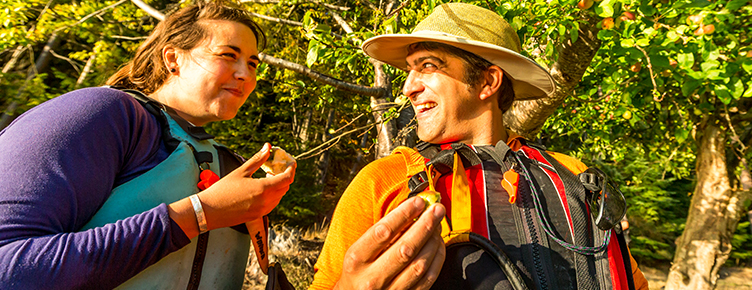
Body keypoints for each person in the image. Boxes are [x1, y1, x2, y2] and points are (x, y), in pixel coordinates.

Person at [310, 3, 649, 289]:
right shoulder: (384, 181)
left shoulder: (574, 176)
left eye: (428, 65)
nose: (408, 88)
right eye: (409, 70)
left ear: (488, 81)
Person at [0, 1, 296, 289]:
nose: (246, 74)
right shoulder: (103, 115)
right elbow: (8, 267)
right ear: (173, 59)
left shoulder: (227, 162)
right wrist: (201, 213)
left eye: (253, 63)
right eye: (228, 55)